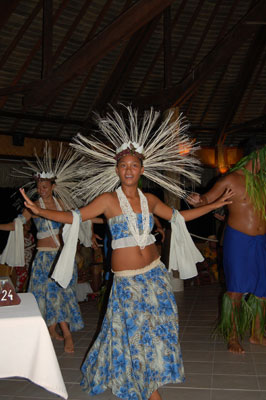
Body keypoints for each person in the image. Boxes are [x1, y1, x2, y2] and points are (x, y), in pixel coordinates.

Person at [20, 106, 233, 400]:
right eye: (124, 166)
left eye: (134, 165)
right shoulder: (108, 200)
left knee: (161, 327)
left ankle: (150, 377)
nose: (129, 170)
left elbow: (179, 218)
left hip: (155, 275)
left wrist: (215, 204)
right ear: (117, 170)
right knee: (136, 332)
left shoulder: (150, 199)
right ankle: (149, 389)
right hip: (128, 281)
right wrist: (38, 210)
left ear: (142, 169)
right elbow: (75, 217)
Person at [0, 142, 100, 353]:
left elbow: (82, 219)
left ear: (53, 186)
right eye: (39, 186)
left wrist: (95, 230)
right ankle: (53, 330)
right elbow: (16, 225)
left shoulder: (63, 204)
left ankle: (67, 335)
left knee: (61, 295)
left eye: (45, 186)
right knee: (45, 297)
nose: (41, 190)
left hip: (62, 258)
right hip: (43, 258)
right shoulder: (33, 207)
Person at [188, 140, 266, 354]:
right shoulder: (231, 178)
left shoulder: (263, 181)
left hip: (262, 241)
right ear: (257, 154)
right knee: (236, 291)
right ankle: (232, 337)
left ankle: (257, 334)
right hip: (239, 240)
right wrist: (198, 200)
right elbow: (207, 199)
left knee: (263, 291)